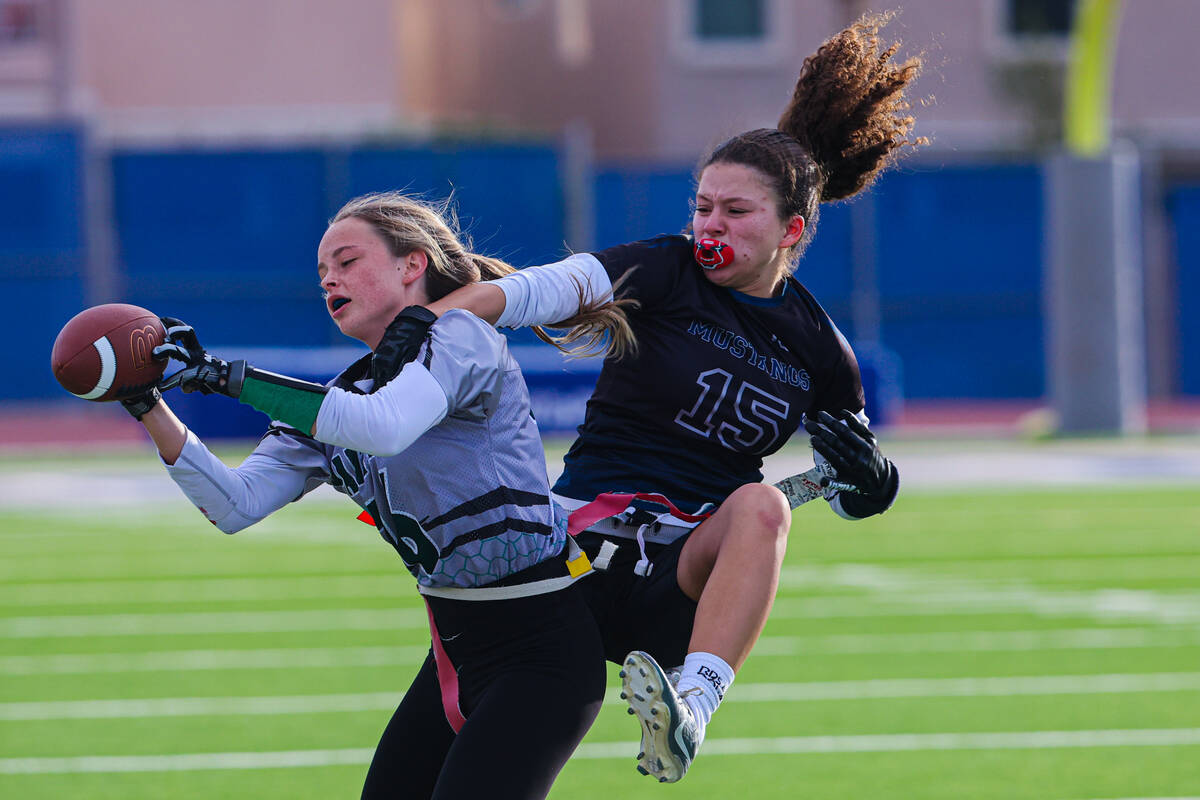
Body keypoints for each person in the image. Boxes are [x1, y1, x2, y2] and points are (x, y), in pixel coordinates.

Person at [426, 12, 925, 784]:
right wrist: (435, 319)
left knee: (766, 507)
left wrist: (876, 484)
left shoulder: (824, 351)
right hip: (575, 554)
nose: (708, 226)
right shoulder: (663, 270)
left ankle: (689, 709)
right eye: (702, 206)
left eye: (734, 212)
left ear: (791, 229)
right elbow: (538, 292)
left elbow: (851, 485)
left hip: (676, 581)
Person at [108, 191, 608, 800]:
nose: (329, 281)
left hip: (541, 646)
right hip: (454, 650)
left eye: (346, 262)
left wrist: (222, 376)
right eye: (322, 273)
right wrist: (146, 403)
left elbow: (386, 425)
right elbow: (236, 504)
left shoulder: (463, 338)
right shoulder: (344, 396)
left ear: (411, 264)